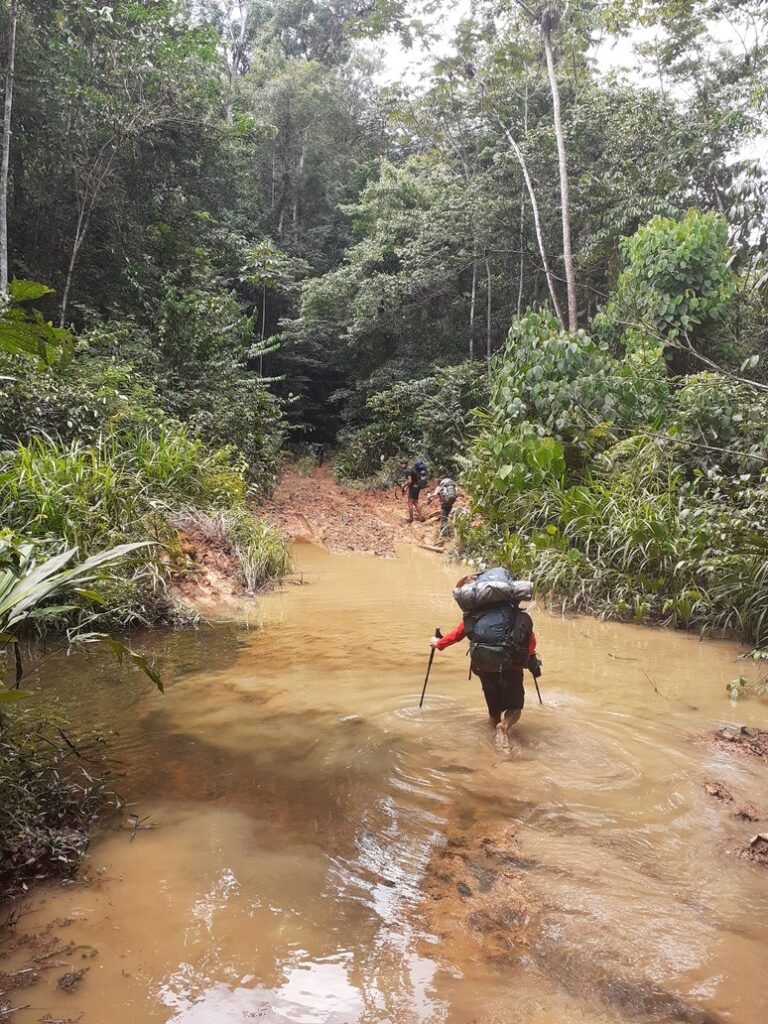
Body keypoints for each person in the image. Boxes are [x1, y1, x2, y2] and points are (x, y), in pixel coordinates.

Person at [429, 574, 538, 743]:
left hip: (485, 668)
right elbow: (529, 642)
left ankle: (489, 750)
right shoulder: (516, 615)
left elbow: (457, 635)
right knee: (515, 707)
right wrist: (531, 659)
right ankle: (505, 726)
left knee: (493, 713)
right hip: (512, 669)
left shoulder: (476, 615)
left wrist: (438, 643)